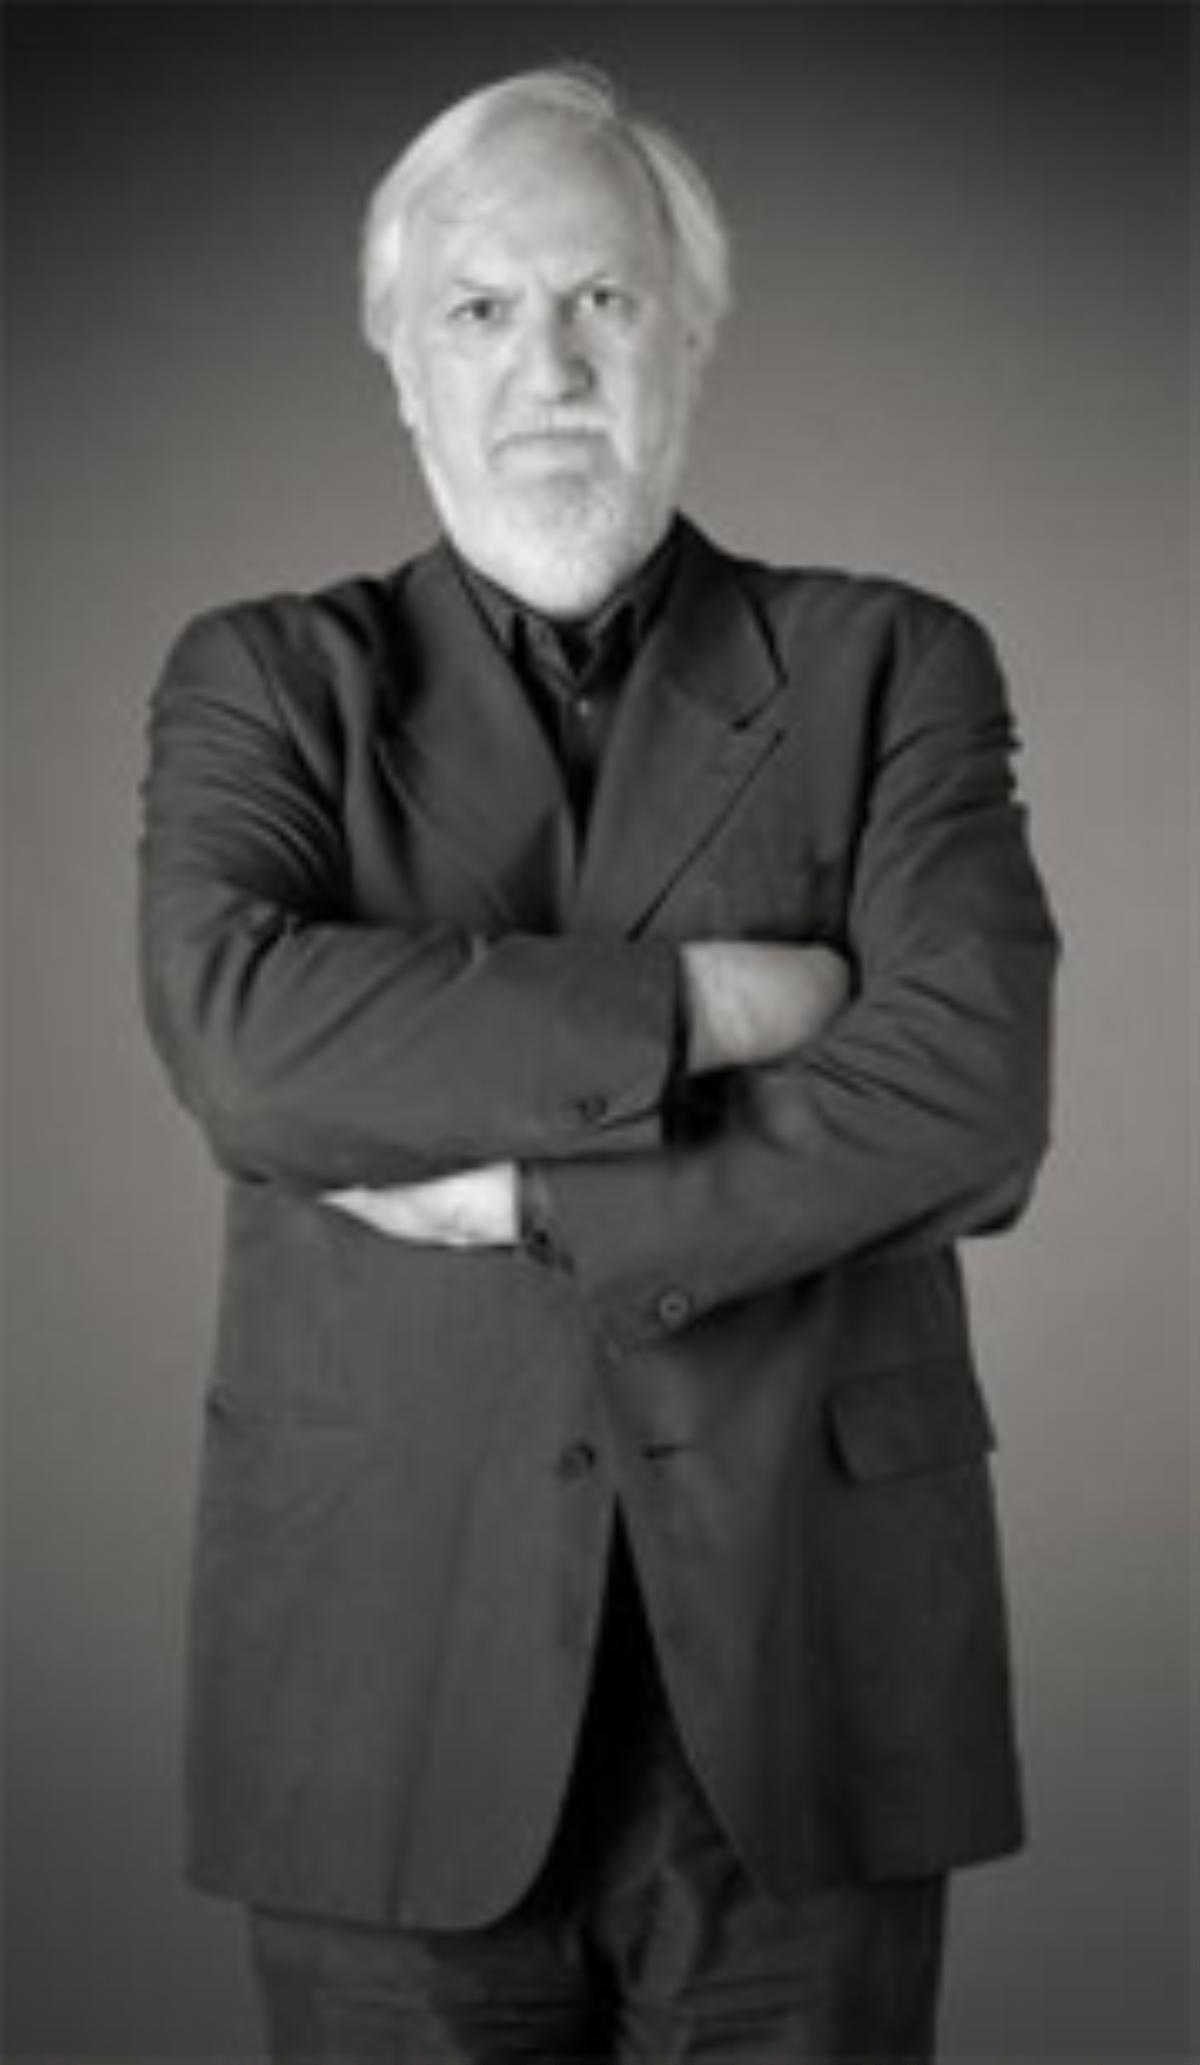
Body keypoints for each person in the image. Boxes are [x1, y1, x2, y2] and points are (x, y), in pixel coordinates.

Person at [139, 63, 1059, 2064]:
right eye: (480, 308)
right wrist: (721, 1003)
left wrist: (541, 1195)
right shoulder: (265, 681)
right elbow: (248, 1050)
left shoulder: (896, 664)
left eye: (605, 299)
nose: (548, 365)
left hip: (809, 1672)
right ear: (401, 361)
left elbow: (972, 1093)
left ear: (689, 337)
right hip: (382, 1688)